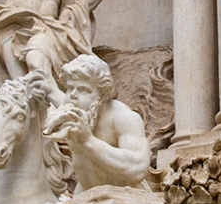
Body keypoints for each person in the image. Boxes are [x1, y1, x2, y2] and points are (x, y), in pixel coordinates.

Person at [45, 54, 153, 191]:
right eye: (70, 88)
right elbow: (59, 100)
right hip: (85, 193)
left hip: (125, 196)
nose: (73, 95)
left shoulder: (124, 119)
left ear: (103, 95)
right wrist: (48, 89)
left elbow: (137, 168)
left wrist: (88, 141)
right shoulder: (79, 114)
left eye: (83, 89)